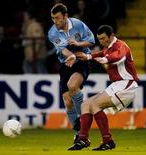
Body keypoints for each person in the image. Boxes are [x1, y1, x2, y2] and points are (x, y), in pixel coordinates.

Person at [68, 25, 139, 151]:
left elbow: (119, 56)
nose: (101, 42)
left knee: (95, 105)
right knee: (86, 104)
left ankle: (108, 141)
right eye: (99, 39)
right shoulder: (108, 48)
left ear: (111, 36)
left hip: (126, 84)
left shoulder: (121, 45)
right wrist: (89, 57)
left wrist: (105, 59)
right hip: (117, 85)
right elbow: (102, 53)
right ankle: (82, 139)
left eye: (104, 38)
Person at [48, 3, 95, 143]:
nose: (55, 21)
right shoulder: (52, 32)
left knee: (72, 85)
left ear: (65, 16)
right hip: (66, 63)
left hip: (82, 60)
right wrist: (71, 56)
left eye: (57, 18)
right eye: (53, 18)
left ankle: (83, 118)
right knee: (68, 102)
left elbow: (91, 41)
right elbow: (63, 50)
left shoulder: (78, 24)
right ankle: (80, 135)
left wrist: (78, 45)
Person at [22, 8, 48, 73]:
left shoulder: (34, 25)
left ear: (29, 16)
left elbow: (38, 41)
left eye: (25, 15)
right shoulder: (27, 26)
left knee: (41, 74)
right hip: (30, 56)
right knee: (29, 73)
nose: (24, 17)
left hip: (37, 56)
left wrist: (33, 54)